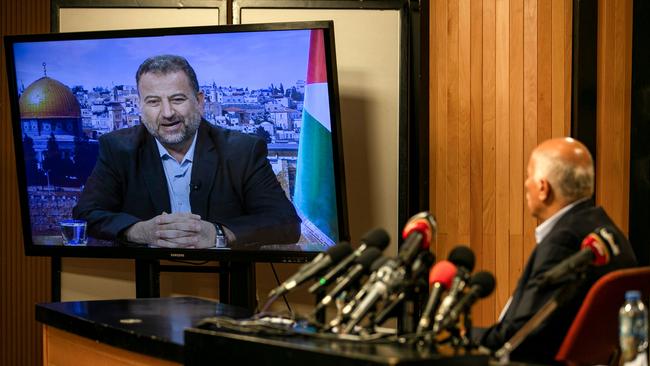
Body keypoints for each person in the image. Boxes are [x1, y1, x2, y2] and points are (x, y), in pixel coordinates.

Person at [73, 55, 301, 248]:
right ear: (140, 108)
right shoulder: (118, 149)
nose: (167, 112)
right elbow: (85, 214)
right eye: (153, 102)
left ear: (199, 101)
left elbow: (286, 223)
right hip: (140, 281)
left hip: (230, 282)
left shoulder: (242, 150)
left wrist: (217, 234)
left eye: (178, 99)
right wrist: (139, 231)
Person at [477, 137, 637, 363]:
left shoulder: (564, 242)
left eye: (529, 174)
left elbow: (519, 340)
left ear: (543, 188)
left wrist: (463, 337)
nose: (525, 183)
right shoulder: (607, 230)